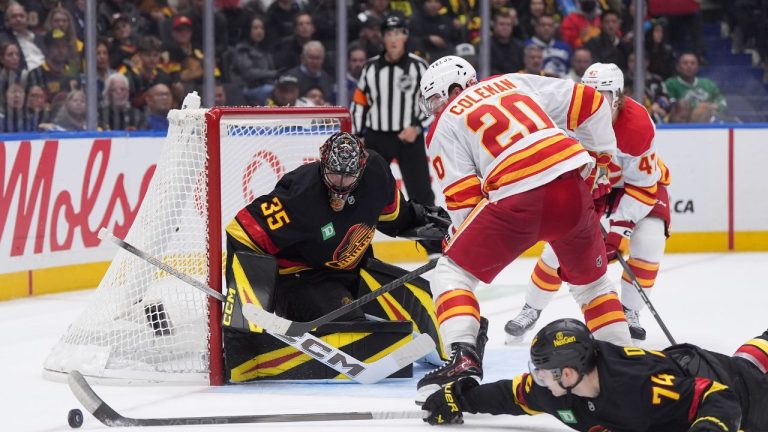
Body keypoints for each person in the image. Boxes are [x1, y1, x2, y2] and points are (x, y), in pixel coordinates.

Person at [415, 55, 631, 402]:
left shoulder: (444, 123)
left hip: (518, 199)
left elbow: (463, 199)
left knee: (451, 272)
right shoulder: (513, 81)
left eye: (437, 97)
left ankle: (463, 357)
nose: (437, 107)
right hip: (572, 186)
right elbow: (591, 103)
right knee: (593, 287)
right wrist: (604, 163)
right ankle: (624, 364)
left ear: (454, 89)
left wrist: (458, 236)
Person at [225, 131, 448, 355]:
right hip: (302, 278)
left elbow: (395, 217)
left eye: (348, 177)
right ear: (322, 165)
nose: (340, 185)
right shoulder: (300, 194)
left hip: (355, 273)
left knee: (428, 303)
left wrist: (431, 221)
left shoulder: (376, 173)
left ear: (361, 170)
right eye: (333, 175)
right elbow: (241, 232)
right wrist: (245, 307)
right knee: (354, 332)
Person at [505, 63, 672, 343]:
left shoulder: (638, 124)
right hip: (593, 184)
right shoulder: (571, 117)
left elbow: (643, 187)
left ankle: (629, 310)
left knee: (650, 240)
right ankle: (531, 308)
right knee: (558, 248)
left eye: (603, 95)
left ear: (617, 96)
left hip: (637, 186)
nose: (594, 102)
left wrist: (619, 231)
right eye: (589, 93)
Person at [422, 317, 768, 432]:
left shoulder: (637, 388)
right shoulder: (555, 389)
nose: (537, 380)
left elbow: (720, 397)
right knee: (749, 359)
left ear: (569, 373)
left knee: (748, 371)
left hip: (739, 392)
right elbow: (511, 395)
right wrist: (458, 397)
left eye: (544, 373)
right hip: (686, 368)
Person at [350, 15, 435, 206]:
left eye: (398, 33)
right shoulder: (370, 68)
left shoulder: (418, 66)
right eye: (389, 34)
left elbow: (431, 102)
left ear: (405, 36)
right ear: (383, 37)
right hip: (376, 138)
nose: (394, 39)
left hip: (409, 136)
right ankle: (358, 233)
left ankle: (430, 236)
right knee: (365, 189)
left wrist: (418, 127)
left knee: (421, 192)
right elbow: (359, 103)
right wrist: (358, 135)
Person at [664, 52, 727, 124]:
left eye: (692, 63)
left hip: (708, 122)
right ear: (678, 67)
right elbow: (673, 106)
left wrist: (714, 107)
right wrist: (698, 106)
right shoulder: (671, 84)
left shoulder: (708, 84)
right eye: (685, 63)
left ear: (698, 67)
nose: (689, 66)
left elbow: (721, 101)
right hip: (681, 125)